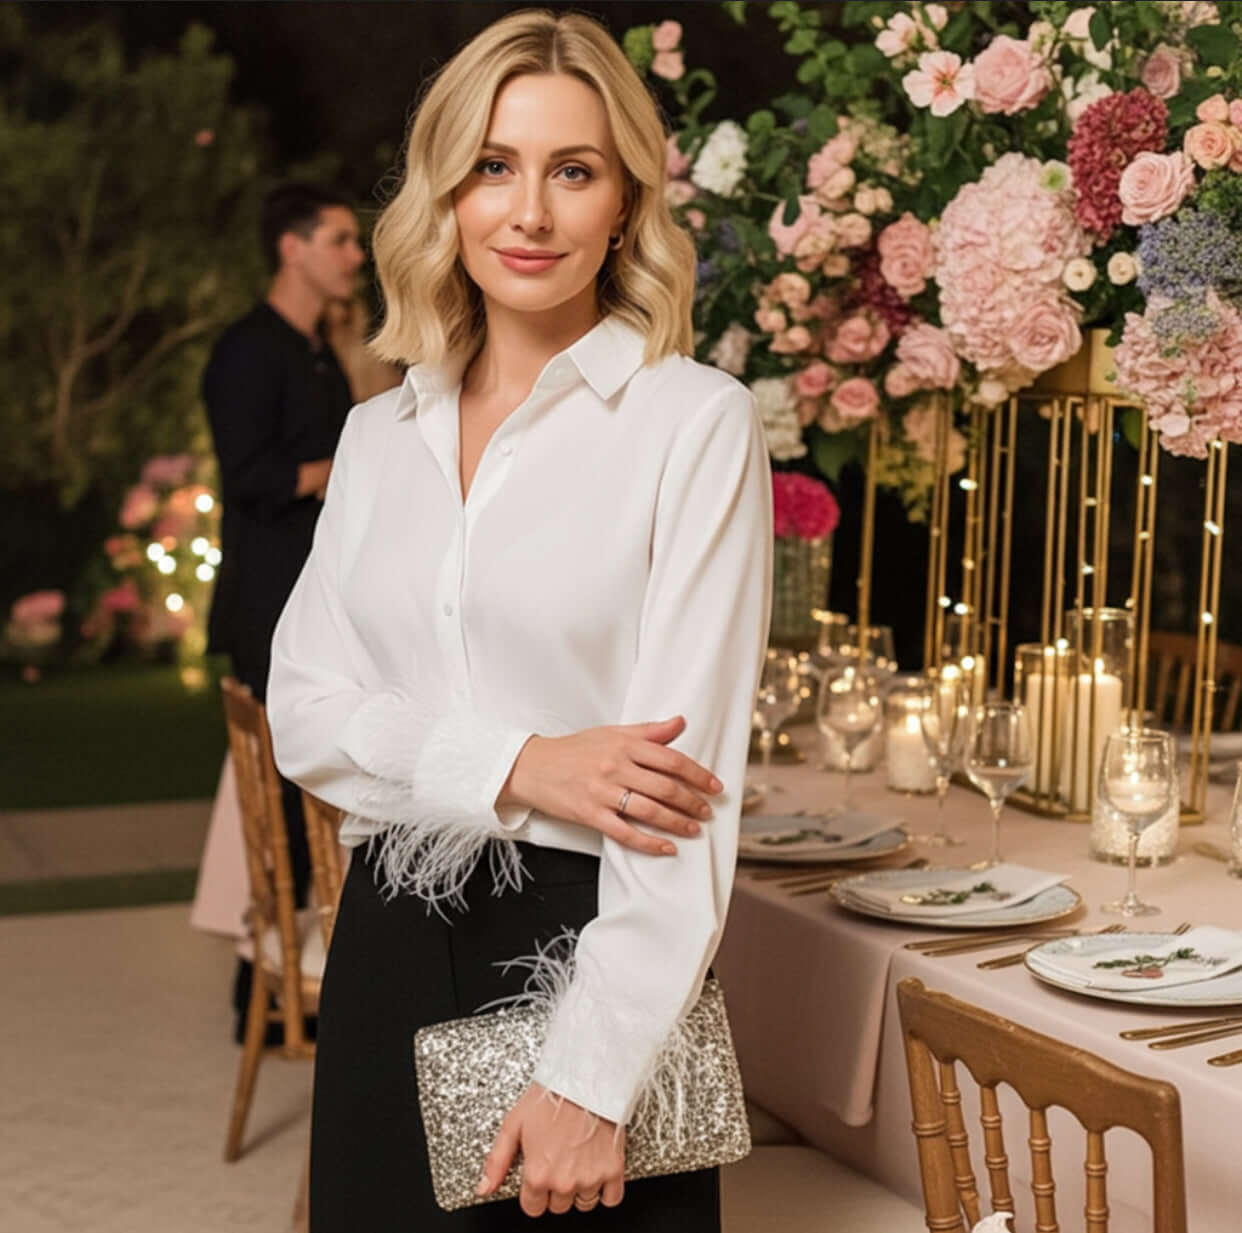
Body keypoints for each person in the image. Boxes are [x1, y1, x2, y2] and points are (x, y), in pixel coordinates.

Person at [266, 10, 771, 1230]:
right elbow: (304, 716)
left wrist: (592, 1081)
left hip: (590, 951)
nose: (530, 212)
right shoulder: (377, 435)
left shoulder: (693, 424)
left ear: (625, 203)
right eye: (494, 167)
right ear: (446, 195)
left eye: (573, 171)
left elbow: (682, 804)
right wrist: (522, 763)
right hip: (389, 938)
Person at [203, 182, 365, 1037]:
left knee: (303, 812)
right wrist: (345, 470)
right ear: (291, 248)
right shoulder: (246, 351)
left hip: (314, 600)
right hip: (267, 604)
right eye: (340, 239)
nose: (356, 255)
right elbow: (249, 477)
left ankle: (267, 1002)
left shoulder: (317, 351)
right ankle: (268, 1002)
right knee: (285, 811)